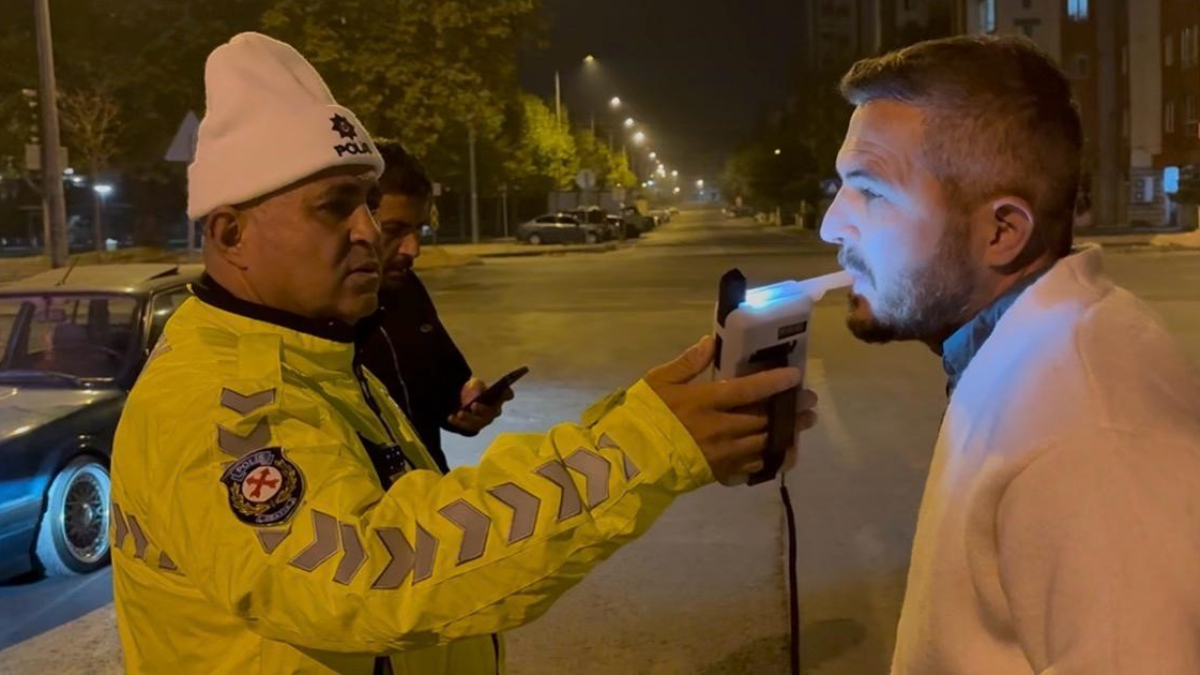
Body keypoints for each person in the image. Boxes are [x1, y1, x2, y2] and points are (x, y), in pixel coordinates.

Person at [110, 32, 818, 674]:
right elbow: (376, 571)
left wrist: (648, 418)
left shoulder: (314, 356)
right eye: (335, 206)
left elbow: (445, 512)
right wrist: (648, 446)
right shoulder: (218, 401)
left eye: (367, 202)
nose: (368, 230)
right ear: (231, 233)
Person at [820, 35, 1200, 673]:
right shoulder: (1019, 353)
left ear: (1001, 231)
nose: (832, 224)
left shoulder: (1092, 434)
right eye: (842, 186)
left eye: (873, 192)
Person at [359, 141, 498, 473]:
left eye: (418, 230)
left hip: (429, 499)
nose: (413, 249)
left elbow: (446, 383)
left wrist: (467, 404)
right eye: (394, 230)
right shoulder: (307, 310)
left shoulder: (406, 288)